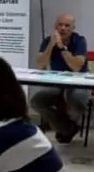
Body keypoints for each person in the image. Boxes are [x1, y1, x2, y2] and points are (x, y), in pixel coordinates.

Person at [30, 14, 90, 143]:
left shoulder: (79, 40)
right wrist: (51, 45)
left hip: (79, 81)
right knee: (37, 101)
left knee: (76, 98)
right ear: (55, 26)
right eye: (60, 25)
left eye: (67, 26)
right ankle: (66, 127)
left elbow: (76, 67)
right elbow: (41, 64)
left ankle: (68, 126)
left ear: (73, 28)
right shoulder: (48, 40)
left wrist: (62, 47)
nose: (63, 28)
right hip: (57, 81)